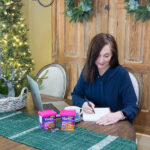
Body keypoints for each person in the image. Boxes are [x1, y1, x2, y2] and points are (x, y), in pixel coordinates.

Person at [71, 33, 139, 125]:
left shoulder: (121, 74)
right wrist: (83, 103)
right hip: (92, 122)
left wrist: (119, 115)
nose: (101, 60)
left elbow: (132, 107)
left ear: (113, 55)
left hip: (115, 124)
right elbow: (75, 95)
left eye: (106, 56)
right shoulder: (88, 69)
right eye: (97, 55)